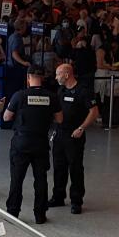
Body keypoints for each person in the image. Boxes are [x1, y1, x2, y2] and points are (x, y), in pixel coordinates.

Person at [3, 65, 63, 224]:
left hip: (21, 143)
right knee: (41, 179)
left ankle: (13, 212)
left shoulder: (19, 96)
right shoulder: (51, 97)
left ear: (28, 78)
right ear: (42, 78)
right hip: (41, 143)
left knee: (17, 179)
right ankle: (40, 214)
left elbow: (6, 118)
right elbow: (60, 119)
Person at [49, 64, 99, 215]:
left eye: (58, 74)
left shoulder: (83, 91)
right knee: (59, 167)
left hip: (74, 135)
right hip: (60, 134)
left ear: (66, 74)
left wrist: (81, 128)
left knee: (75, 168)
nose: (56, 77)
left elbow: (94, 112)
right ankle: (58, 196)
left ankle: (76, 200)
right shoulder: (61, 90)